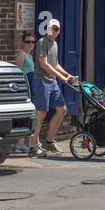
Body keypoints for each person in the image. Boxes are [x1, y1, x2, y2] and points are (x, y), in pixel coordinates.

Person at [32, 19, 75, 156]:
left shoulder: (54, 44)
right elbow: (43, 64)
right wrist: (60, 77)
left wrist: (67, 74)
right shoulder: (41, 43)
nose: (54, 31)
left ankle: (49, 141)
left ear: (59, 31)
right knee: (41, 113)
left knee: (62, 109)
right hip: (41, 81)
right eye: (52, 29)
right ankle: (33, 146)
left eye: (56, 29)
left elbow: (54, 64)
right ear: (47, 29)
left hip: (52, 81)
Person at [13, 31, 38, 154]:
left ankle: (23, 143)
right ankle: (19, 144)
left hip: (31, 86)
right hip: (25, 87)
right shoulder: (22, 55)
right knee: (23, 114)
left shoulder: (30, 56)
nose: (30, 44)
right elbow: (18, 72)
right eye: (28, 41)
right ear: (23, 43)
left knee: (29, 115)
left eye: (33, 42)